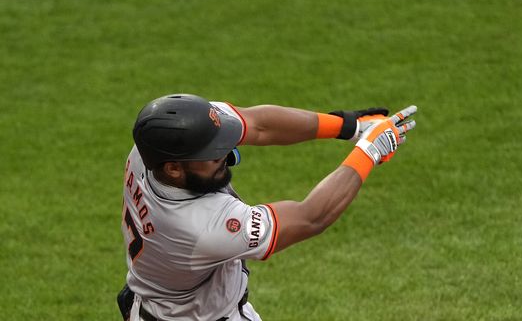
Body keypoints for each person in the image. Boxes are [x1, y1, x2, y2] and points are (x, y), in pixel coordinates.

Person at [118, 93, 417, 321]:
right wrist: (369, 150)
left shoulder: (151, 149)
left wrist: (349, 126)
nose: (226, 152)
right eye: (212, 153)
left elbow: (258, 125)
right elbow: (311, 217)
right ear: (173, 169)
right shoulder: (204, 226)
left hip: (150, 305)